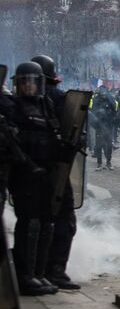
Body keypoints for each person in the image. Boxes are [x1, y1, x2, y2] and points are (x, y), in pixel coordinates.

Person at [8, 61, 61, 295]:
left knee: (46, 223)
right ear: (19, 84)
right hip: (25, 175)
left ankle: (40, 273)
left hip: (46, 174)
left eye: (33, 81)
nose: (29, 85)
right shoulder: (12, 107)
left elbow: (54, 135)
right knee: (28, 225)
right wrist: (28, 166)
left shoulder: (45, 104)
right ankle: (25, 276)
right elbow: (11, 143)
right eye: (24, 81)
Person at [30, 55, 82, 290]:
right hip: (55, 170)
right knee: (63, 220)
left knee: (34, 222)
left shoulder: (19, 102)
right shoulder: (58, 99)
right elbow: (74, 132)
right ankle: (55, 271)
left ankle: (35, 270)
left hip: (29, 172)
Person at [90, 86, 117, 171]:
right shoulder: (96, 100)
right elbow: (93, 113)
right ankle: (99, 164)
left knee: (109, 145)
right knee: (99, 145)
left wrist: (112, 120)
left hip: (108, 126)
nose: (103, 95)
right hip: (99, 126)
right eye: (102, 94)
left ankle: (108, 163)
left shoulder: (110, 99)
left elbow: (115, 111)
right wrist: (96, 122)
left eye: (105, 94)